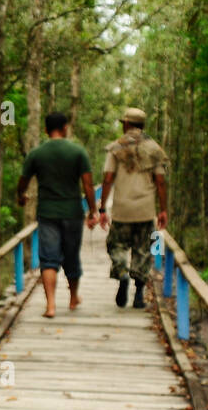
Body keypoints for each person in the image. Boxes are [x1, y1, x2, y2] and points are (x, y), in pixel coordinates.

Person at [16, 112, 99, 318]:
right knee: (71, 256)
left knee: (48, 259)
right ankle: (72, 299)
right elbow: (87, 184)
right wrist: (92, 212)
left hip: (47, 213)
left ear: (45, 130)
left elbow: (23, 181)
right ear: (65, 128)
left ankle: (51, 306)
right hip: (72, 212)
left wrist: (21, 196)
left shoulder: (36, 154)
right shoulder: (78, 152)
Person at [98, 107, 169, 309]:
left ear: (127, 124)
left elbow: (108, 179)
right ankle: (139, 292)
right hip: (146, 210)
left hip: (122, 210)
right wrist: (162, 210)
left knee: (116, 245)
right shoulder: (155, 150)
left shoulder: (116, 148)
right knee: (143, 250)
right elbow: (161, 181)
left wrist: (103, 209)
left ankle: (121, 273)